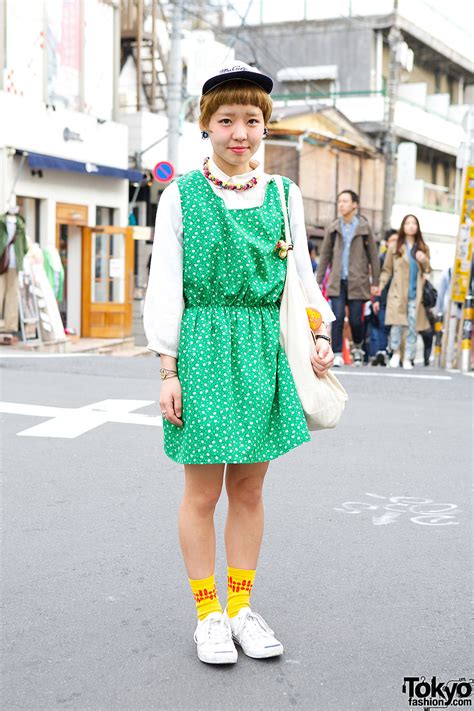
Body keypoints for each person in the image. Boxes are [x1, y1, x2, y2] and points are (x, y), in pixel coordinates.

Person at [143, 61, 335, 666]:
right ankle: (207, 616)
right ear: (206, 125)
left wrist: (317, 335)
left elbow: (300, 279)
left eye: (252, 121)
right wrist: (167, 368)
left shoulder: (284, 195)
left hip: (263, 348)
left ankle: (240, 609)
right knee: (202, 493)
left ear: (264, 127)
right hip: (201, 346)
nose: (240, 133)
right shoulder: (181, 195)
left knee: (249, 489)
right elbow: (165, 284)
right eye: (227, 120)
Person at [316, 190, 380, 367]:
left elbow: (374, 257)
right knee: (336, 316)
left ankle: (358, 347)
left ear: (354, 205)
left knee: (354, 320)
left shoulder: (364, 228)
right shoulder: (334, 227)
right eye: (339, 201)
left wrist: (375, 282)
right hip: (337, 280)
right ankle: (336, 353)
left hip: (357, 280)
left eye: (345, 201)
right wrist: (318, 280)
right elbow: (325, 256)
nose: (341, 205)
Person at [378, 214, 432, 369]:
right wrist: (380, 286)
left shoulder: (423, 247)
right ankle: (395, 353)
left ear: (417, 227)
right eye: (407, 223)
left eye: (414, 223)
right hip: (397, 292)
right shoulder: (395, 247)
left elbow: (428, 269)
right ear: (403, 226)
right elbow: (387, 269)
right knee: (396, 325)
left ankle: (408, 357)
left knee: (412, 327)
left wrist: (424, 260)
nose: (411, 226)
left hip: (415, 294)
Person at [370, 229, 398, 365]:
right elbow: (376, 280)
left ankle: (393, 352)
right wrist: (375, 300)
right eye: (392, 240)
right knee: (383, 326)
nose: (395, 243)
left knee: (395, 327)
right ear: (386, 243)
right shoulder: (381, 259)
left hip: (398, 299)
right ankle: (382, 352)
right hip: (383, 298)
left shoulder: (401, 258)